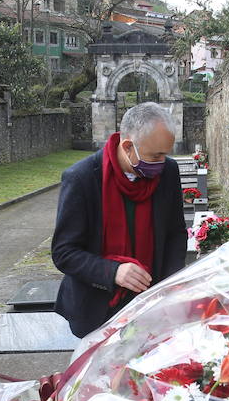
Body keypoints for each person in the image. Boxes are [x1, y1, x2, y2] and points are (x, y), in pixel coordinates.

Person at [52, 101, 188, 338]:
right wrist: (114, 271)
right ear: (127, 147)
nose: (161, 163)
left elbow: (176, 233)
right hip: (96, 310)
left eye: (165, 155)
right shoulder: (82, 178)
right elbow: (64, 252)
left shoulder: (168, 171)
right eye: (155, 156)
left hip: (151, 306)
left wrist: (167, 288)